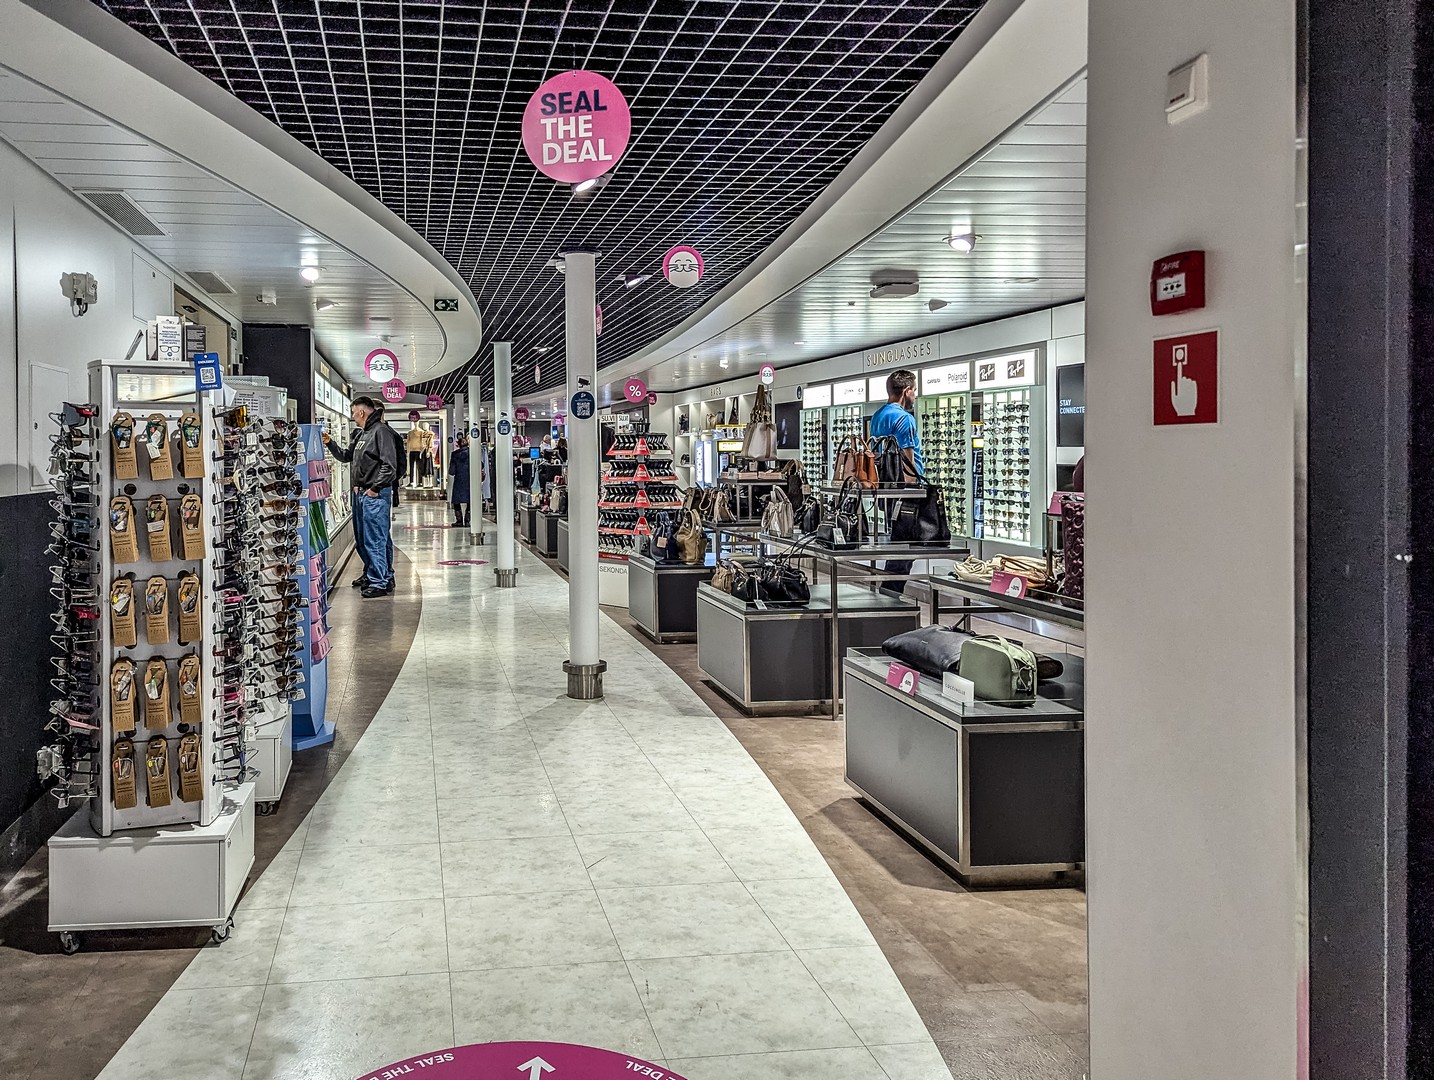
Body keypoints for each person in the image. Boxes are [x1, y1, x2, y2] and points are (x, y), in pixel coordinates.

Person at [322, 396, 400, 598]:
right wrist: (330, 443)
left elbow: (389, 466)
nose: (352, 416)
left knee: (375, 539)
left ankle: (379, 581)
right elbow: (346, 456)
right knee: (364, 539)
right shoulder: (363, 434)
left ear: (362, 412)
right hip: (362, 495)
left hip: (374, 496)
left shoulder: (381, 432)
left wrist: (374, 488)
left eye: (353, 412)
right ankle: (378, 575)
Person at [868, 368, 924, 596]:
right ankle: (889, 596)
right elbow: (908, 462)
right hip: (905, 490)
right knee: (906, 547)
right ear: (907, 391)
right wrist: (915, 492)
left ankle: (889, 595)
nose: (915, 396)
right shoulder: (904, 419)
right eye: (915, 391)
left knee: (900, 544)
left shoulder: (878, 416)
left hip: (887, 489)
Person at [448, 435, 471, 526]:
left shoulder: (454, 454)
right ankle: (467, 520)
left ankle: (459, 520)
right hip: (470, 480)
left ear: (458, 445)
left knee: (456, 501)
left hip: (458, 481)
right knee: (470, 500)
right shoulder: (472, 453)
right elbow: (480, 465)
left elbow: (452, 472)